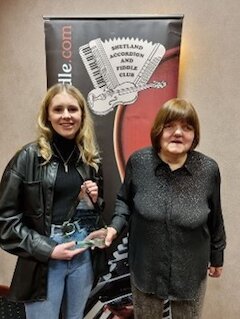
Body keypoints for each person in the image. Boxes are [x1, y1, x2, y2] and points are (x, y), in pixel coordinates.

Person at [105, 98, 226, 319]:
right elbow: (124, 200)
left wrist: (217, 256)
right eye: (170, 126)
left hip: (190, 269)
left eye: (187, 127)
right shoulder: (139, 162)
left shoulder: (208, 170)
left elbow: (215, 216)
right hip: (146, 266)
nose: (178, 133)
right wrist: (114, 226)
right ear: (158, 130)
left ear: (194, 135)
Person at [0, 83, 106, 319]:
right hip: (45, 257)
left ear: (82, 114)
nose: (66, 115)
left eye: (73, 109)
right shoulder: (28, 157)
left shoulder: (89, 158)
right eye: (58, 109)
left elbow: (94, 210)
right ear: (47, 115)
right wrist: (49, 249)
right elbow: (4, 222)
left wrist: (93, 202)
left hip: (83, 251)